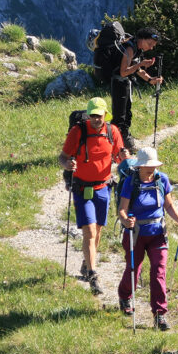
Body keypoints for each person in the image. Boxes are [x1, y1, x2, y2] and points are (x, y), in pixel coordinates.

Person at [58, 96, 129, 295]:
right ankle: (93, 273)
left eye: (100, 115)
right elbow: (62, 157)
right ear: (88, 116)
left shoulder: (112, 131)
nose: (97, 119)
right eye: (93, 116)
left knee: (97, 232)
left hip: (104, 187)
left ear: (106, 115)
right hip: (82, 189)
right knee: (89, 231)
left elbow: (118, 156)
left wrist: (125, 157)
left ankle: (86, 262)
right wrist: (67, 165)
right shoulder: (78, 131)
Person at [116, 147, 178, 330]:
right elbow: (122, 209)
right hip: (135, 234)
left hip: (158, 233)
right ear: (139, 167)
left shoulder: (162, 180)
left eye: (153, 167)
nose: (151, 170)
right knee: (133, 270)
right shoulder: (131, 182)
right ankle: (125, 295)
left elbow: (169, 205)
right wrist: (126, 220)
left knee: (158, 272)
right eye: (147, 167)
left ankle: (160, 314)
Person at [111, 27, 163, 149]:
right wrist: (141, 64)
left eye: (153, 45)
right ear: (142, 39)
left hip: (124, 83)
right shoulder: (129, 49)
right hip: (119, 83)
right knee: (119, 116)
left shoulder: (137, 49)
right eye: (150, 44)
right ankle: (116, 146)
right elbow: (124, 72)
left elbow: (136, 69)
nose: (151, 47)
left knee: (127, 114)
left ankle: (124, 142)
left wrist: (150, 80)